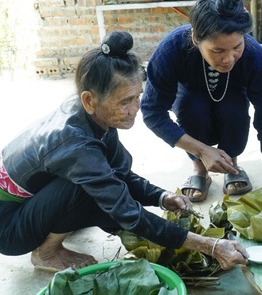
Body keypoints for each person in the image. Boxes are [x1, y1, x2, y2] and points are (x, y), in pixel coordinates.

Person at [0, 30, 248, 272]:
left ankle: (59, 226)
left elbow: (120, 174)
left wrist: (160, 197)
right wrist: (211, 245)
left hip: (32, 203)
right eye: (125, 101)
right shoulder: (75, 143)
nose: (134, 109)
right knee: (89, 190)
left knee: (102, 185)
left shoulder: (96, 115)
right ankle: (47, 251)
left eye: (137, 97)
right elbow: (126, 211)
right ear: (89, 100)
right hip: (8, 227)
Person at [140, 0, 262, 203]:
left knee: (233, 110)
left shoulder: (255, 57)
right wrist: (202, 151)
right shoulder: (172, 50)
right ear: (196, 38)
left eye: (237, 47)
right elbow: (152, 112)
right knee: (191, 108)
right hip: (189, 97)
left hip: (234, 96)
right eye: (218, 50)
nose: (228, 59)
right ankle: (200, 170)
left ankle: (231, 165)